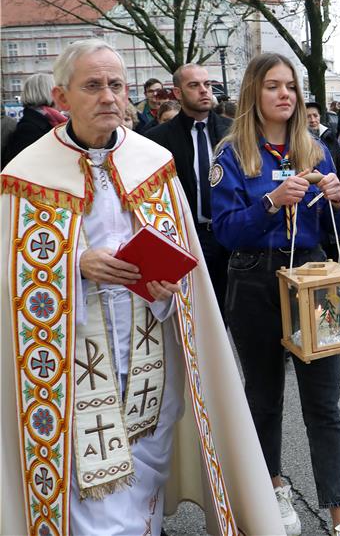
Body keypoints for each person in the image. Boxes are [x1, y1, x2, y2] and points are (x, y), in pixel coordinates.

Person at [0, 38, 283, 536]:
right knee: (90, 479)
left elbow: (181, 251)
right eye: (93, 86)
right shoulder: (26, 175)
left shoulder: (151, 162)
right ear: (63, 99)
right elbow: (12, 272)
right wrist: (73, 263)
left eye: (116, 84)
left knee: (145, 459)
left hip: (149, 336)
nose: (108, 96)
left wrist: (168, 281)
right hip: (71, 350)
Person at [210, 52, 340, 536]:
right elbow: (226, 233)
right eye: (273, 86)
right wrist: (270, 203)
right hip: (256, 278)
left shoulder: (315, 148)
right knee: (264, 397)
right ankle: (274, 487)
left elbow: (334, 228)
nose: (285, 95)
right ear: (252, 94)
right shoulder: (232, 154)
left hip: (314, 276)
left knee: (324, 402)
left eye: (291, 87)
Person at [146, 64, 232, 319]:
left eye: (207, 84)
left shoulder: (233, 132)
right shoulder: (158, 140)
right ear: (177, 93)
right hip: (189, 236)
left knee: (232, 311)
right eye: (194, 85)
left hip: (230, 234)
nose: (204, 90)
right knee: (195, 313)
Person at [307, 100, 340, 260]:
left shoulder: (329, 138)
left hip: (331, 206)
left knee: (333, 262)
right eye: (308, 117)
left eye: (315, 115)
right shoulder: (298, 143)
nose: (312, 119)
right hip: (313, 213)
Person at [2, 73, 68, 168]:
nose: (62, 97)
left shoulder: (52, 121)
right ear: (50, 94)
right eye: (58, 92)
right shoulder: (28, 130)